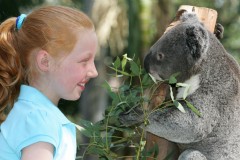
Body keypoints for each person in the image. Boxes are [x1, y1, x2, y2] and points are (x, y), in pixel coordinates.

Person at [0, 5, 98, 160]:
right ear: (45, 61)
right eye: (84, 61)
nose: (94, 72)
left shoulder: (34, 114)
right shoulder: (38, 119)